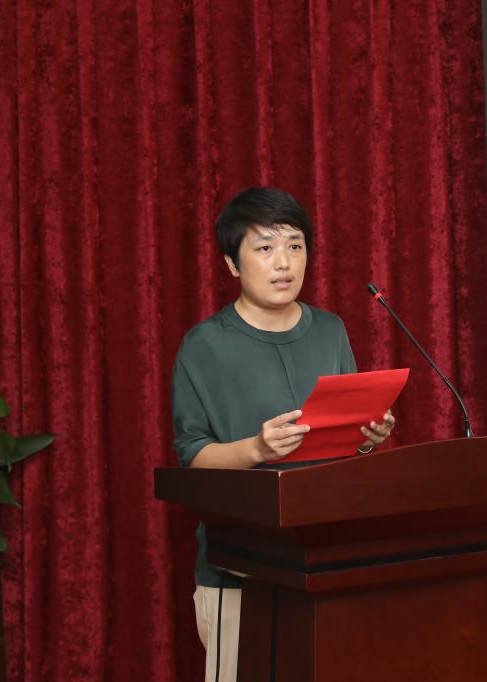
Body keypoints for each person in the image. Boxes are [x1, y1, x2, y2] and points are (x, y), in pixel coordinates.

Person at [171, 187, 396, 682]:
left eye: (295, 245)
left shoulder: (330, 331)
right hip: (240, 569)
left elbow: (343, 444)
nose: (284, 262)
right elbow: (192, 457)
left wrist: (367, 436)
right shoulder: (204, 346)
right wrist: (256, 448)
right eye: (265, 247)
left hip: (328, 559)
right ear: (232, 263)